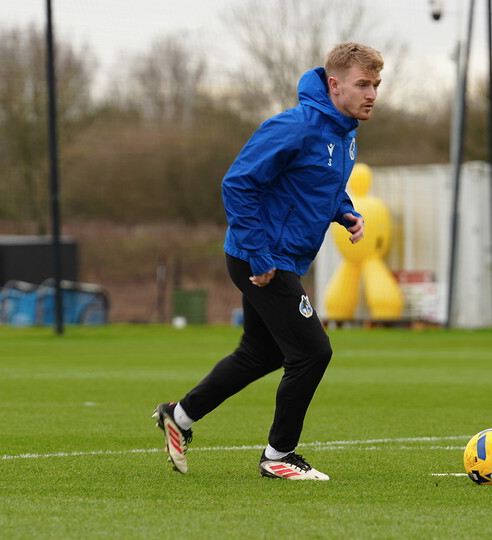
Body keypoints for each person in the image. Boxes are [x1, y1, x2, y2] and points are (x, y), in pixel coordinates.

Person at [153, 42, 384, 481]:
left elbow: (320, 188)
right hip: (261, 260)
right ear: (334, 85)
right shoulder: (295, 127)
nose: (372, 93)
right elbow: (237, 184)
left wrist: (345, 211)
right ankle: (279, 455)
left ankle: (178, 417)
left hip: (279, 259)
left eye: (376, 84)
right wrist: (260, 255)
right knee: (313, 351)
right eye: (362, 84)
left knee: (261, 353)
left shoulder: (345, 133)